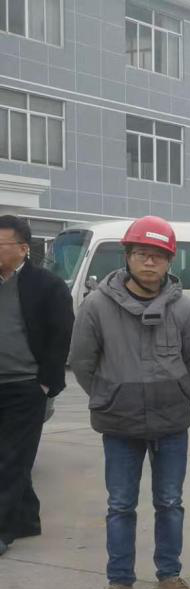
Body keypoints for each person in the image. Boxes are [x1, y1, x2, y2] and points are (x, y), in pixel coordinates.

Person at [68, 216, 190, 589]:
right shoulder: (97, 306)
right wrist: (109, 397)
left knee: (170, 502)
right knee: (120, 505)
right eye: (142, 254)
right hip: (120, 424)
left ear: (169, 261)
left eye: (158, 256)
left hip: (171, 424)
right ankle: (120, 584)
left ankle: (169, 577)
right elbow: (82, 361)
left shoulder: (184, 308)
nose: (150, 262)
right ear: (127, 257)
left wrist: (177, 393)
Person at [0, 215, 73, 557]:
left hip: (26, 386)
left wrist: (46, 384)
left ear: (23, 248)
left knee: (12, 459)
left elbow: (61, 336)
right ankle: (27, 519)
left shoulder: (47, 286)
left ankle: (3, 530)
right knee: (12, 457)